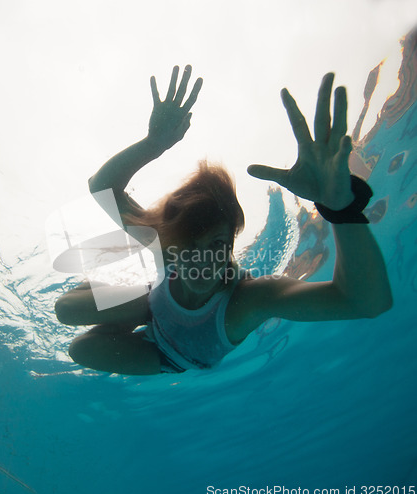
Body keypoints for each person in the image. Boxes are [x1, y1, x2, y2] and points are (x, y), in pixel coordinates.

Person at [55, 65, 393, 375]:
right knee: (65, 309)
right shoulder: (167, 248)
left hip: (169, 356)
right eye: (189, 246)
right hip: (151, 310)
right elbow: (101, 188)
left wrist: (340, 209)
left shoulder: (247, 299)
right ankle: (138, 300)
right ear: (176, 244)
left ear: (232, 242)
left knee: (81, 348)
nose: (201, 261)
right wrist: (152, 145)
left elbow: (367, 302)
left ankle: (132, 303)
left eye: (216, 244)